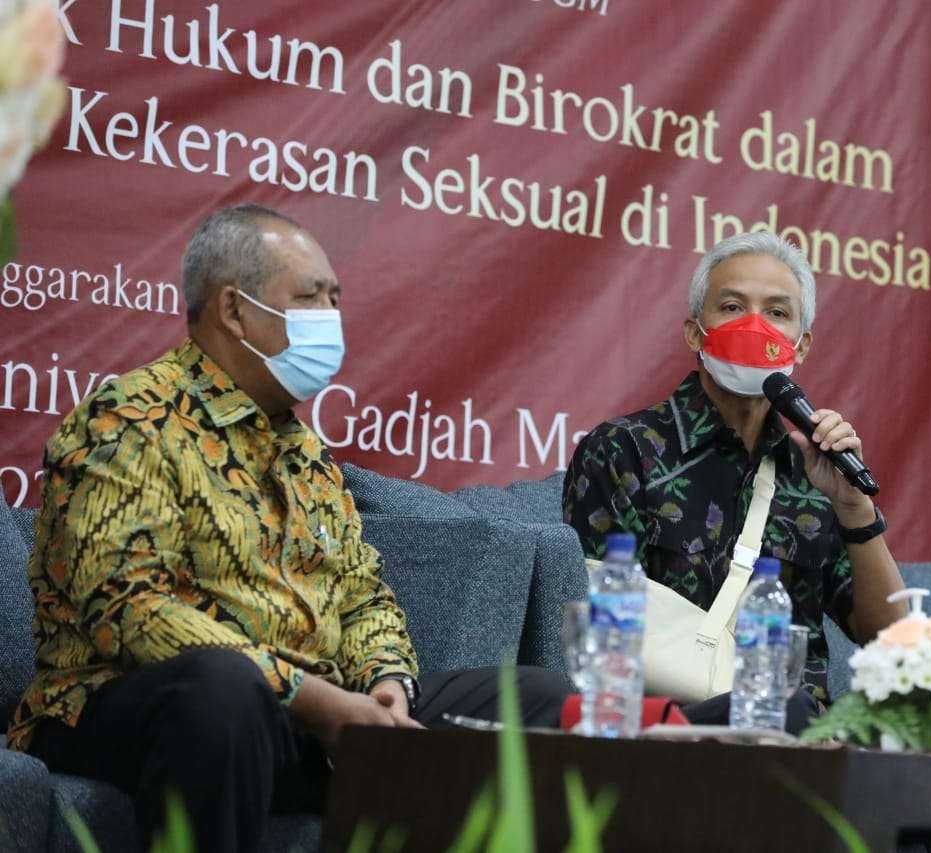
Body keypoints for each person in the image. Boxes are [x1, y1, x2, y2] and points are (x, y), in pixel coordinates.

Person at [6, 204, 571, 851]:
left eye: (335, 298)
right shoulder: (127, 421)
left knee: (537, 698)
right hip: (122, 707)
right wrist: (309, 695)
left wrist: (388, 683)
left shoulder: (302, 452)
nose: (332, 317)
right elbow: (131, 610)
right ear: (233, 309)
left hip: (297, 716)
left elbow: (364, 594)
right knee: (223, 687)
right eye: (310, 298)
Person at [563, 231, 908, 733]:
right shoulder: (624, 449)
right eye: (731, 306)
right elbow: (599, 634)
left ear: (801, 345)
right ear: (694, 333)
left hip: (802, 735)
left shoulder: (815, 470)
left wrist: (854, 509)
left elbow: (891, 642)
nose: (754, 325)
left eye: (777, 312)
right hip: (668, 726)